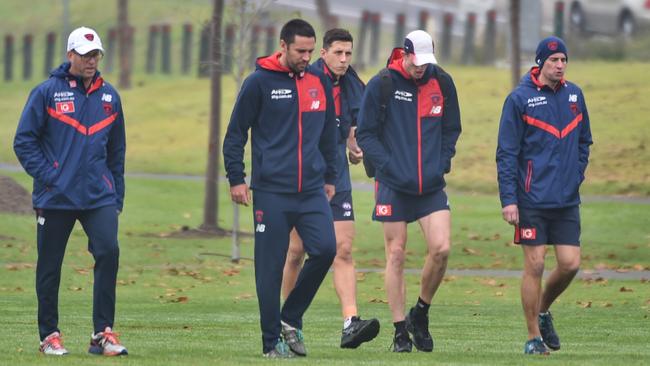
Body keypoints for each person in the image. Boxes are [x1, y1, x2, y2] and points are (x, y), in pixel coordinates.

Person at [223, 19, 338, 358]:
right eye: (300, 50)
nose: (307, 57)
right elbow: (235, 134)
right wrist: (236, 178)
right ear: (283, 46)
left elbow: (328, 136)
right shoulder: (259, 82)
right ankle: (270, 341)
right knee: (270, 268)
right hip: (271, 191)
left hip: (312, 189)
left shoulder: (319, 82)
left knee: (327, 249)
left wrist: (330, 176)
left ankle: (290, 317)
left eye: (310, 51)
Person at [13, 26, 128, 356]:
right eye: (85, 54)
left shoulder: (110, 97)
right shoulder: (47, 93)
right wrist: (50, 176)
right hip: (56, 197)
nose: (91, 61)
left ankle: (102, 335)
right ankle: (49, 335)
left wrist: (116, 194)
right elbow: (24, 142)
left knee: (108, 252)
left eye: (96, 55)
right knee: (50, 267)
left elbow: (116, 151)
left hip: (98, 197)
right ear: (70, 56)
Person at [356, 30, 461, 353]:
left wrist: (441, 162)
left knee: (441, 249)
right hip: (393, 184)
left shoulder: (442, 82)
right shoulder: (383, 84)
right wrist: (389, 166)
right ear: (405, 55)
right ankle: (400, 330)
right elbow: (366, 134)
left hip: (430, 185)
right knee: (397, 254)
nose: (421, 69)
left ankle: (421, 312)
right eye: (416, 63)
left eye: (426, 63)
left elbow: (451, 129)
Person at [281, 28, 380, 349]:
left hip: (337, 177)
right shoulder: (305, 78)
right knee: (296, 251)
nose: (344, 59)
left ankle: (351, 322)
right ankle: (287, 323)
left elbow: (354, 125)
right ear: (322, 52)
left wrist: (354, 145)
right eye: (338, 53)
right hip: (304, 177)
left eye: (348, 53)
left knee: (344, 249)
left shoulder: (353, 84)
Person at [496, 36, 593, 355]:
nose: (560, 65)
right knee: (535, 265)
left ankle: (543, 308)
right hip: (531, 199)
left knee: (570, 264)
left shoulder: (575, 95)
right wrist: (509, 199)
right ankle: (533, 337)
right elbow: (506, 154)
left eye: (564, 60)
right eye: (554, 60)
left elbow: (584, 142)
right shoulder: (519, 99)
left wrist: (576, 175)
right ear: (540, 63)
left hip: (566, 200)